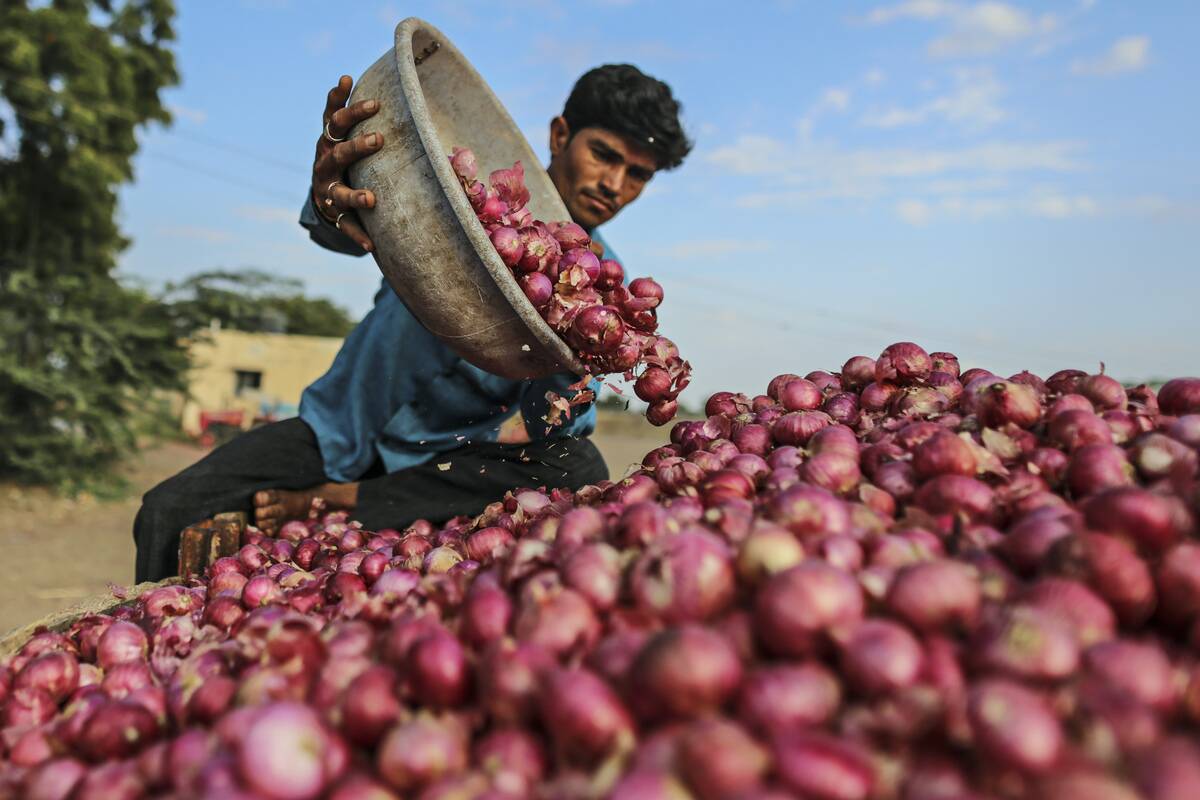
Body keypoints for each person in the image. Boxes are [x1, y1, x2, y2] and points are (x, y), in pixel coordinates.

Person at [132, 64, 692, 583]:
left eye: (637, 175)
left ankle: (349, 500)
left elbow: (553, 430)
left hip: (448, 465)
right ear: (560, 134)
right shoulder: (464, 202)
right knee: (168, 509)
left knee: (579, 463)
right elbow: (350, 224)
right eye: (604, 155)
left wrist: (574, 361)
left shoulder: (603, 300)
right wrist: (330, 194)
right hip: (340, 432)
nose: (614, 184)